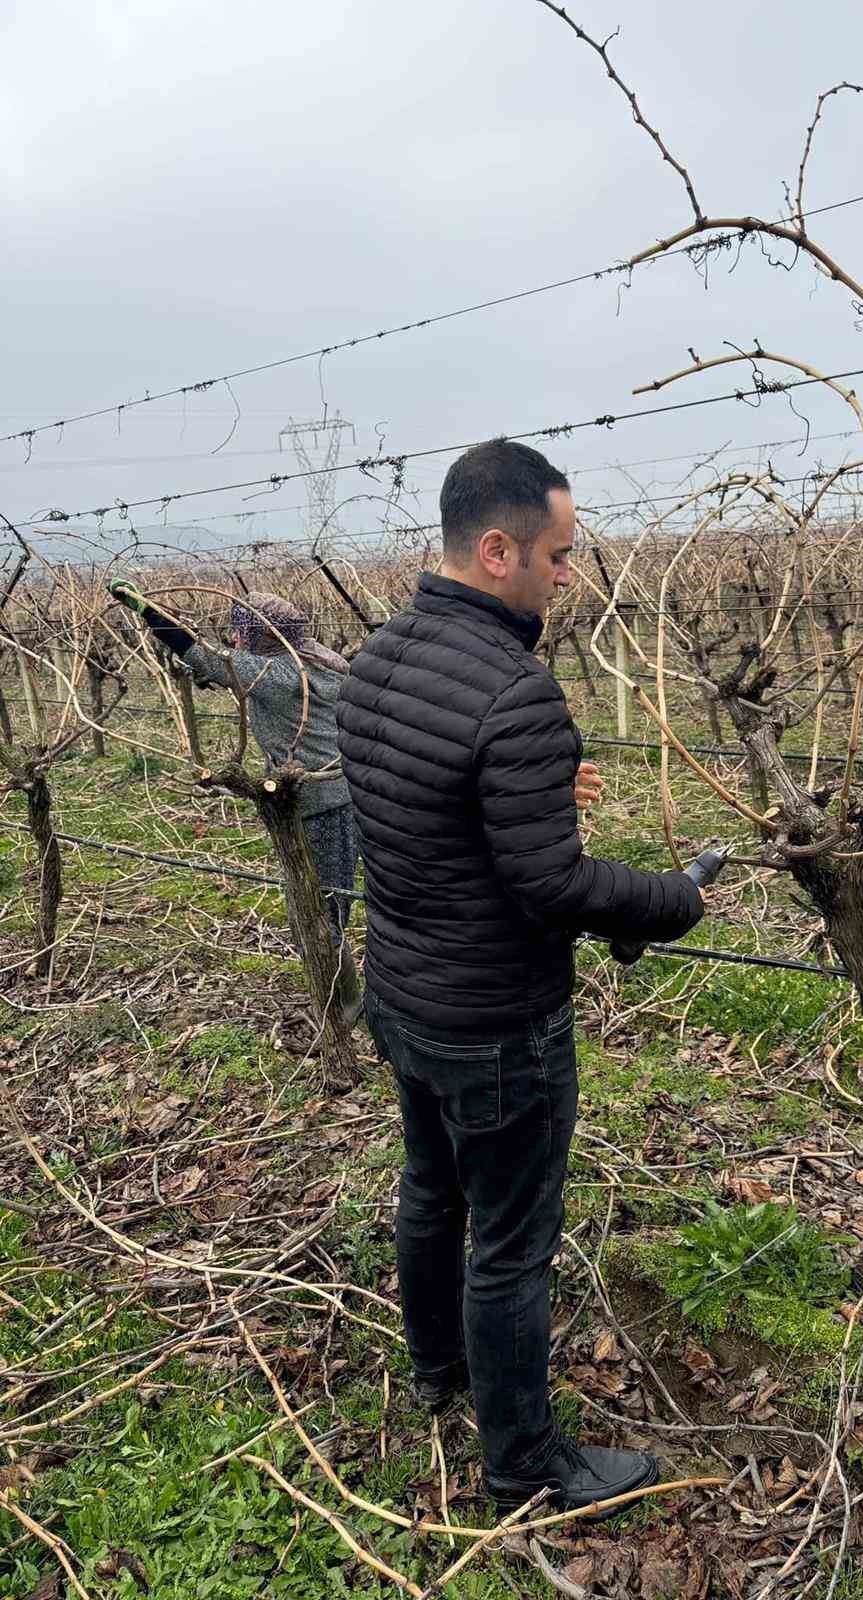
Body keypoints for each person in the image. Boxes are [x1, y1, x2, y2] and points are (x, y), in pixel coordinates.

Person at [336, 440, 706, 1517]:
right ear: (497, 549)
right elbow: (552, 885)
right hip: (498, 1022)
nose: (567, 576)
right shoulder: (516, 691)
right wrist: (671, 899)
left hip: (403, 996)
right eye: (557, 554)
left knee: (428, 1188)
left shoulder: (378, 660)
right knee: (510, 1244)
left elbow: (423, 812)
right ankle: (525, 1463)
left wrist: (537, 783)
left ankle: (439, 1370)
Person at [109, 583, 359, 1011]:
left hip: (319, 803)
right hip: (340, 795)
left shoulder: (275, 674)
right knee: (324, 903)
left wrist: (148, 611)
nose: (236, 639)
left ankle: (344, 1001)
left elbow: (205, 655)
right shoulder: (317, 657)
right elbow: (229, 668)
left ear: (264, 635)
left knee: (315, 912)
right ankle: (340, 992)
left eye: (242, 631)